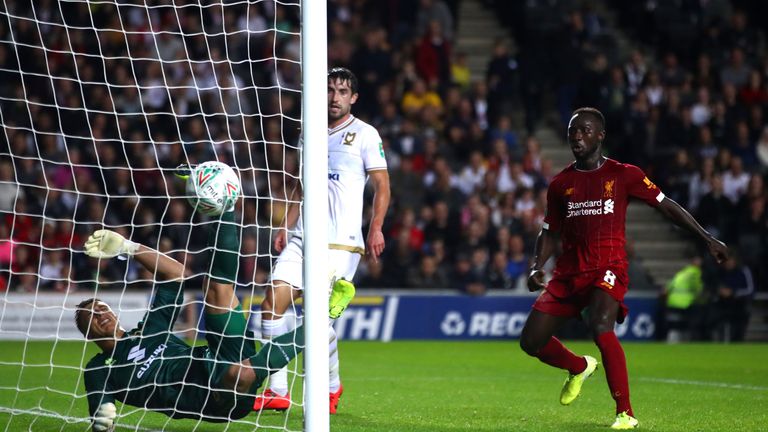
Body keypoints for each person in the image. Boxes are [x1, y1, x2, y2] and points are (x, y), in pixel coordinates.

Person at [519, 107, 728, 430]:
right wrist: (536, 267)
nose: (577, 136)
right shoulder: (561, 184)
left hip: (608, 266)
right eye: (573, 131)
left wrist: (706, 237)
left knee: (601, 326)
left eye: (585, 130)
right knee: (530, 342)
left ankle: (625, 412)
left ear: (600, 136)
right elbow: (549, 231)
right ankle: (579, 367)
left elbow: (666, 206)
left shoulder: (623, 174)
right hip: (569, 273)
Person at [76, 211, 355, 431]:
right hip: (210, 399)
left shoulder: (148, 331)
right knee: (241, 373)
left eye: (102, 307)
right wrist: (103, 418)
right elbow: (102, 412)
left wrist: (128, 246)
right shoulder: (99, 368)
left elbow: (177, 274)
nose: (101, 314)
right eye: (92, 315)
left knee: (216, 288)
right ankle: (323, 319)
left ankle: (224, 209)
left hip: (214, 358)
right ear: (87, 333)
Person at [254, 67, 391, 413]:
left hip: (341, 243)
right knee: (271, 304)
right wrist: (287, 223)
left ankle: (331, 386)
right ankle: (278, 391)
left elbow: (382, 186)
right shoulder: (308, 133)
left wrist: (375, 227)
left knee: (314, 322)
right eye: (330, 90)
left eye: (342, 91)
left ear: (353, 97)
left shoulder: (365, 134)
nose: (334, 97)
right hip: (303, 236)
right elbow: (302, 184)